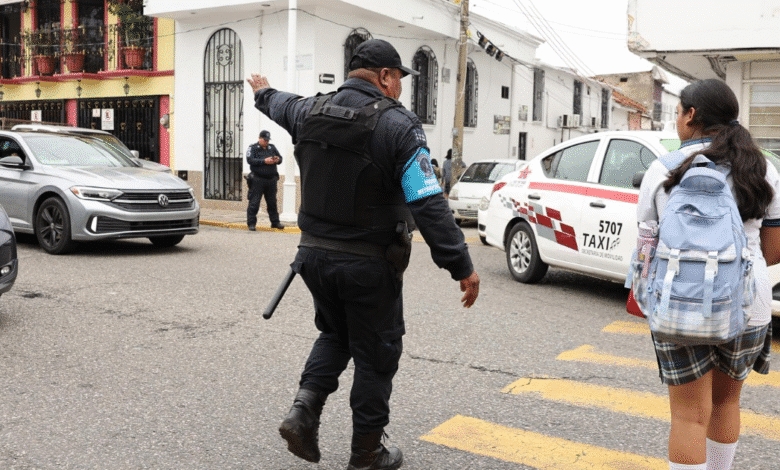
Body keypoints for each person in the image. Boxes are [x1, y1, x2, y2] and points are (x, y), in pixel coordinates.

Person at [247, 38, 480, 470]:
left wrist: (261, 91)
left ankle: (303, 412)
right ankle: (367, 453)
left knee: (336, 335)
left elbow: (279, 104)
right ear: (385, 77)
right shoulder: (398, 126)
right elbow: (426, 199)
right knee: (377, 352)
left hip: (312, 258)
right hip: (368, 264)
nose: (401, 90)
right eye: (399, 80)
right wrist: (460, 264)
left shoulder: (310, 111)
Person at [636, 79, 778, 470]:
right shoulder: (763, 167)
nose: (677, 120)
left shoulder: (663, 169)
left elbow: (646, 247)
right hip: (749, 301)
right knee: (726, 402)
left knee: (687, 416)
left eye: (678, 112)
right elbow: (774, 250)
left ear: (691, 115)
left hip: (679, 302)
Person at [246, 130, 284, 230]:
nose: (266, 142)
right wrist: (264, 161)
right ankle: (251, 223)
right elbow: (250, 160)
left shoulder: (272, 147)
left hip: (271, 180)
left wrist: (277, 159)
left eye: (267, 140)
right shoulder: (253, 148)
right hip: (258, 179)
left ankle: (275, 222)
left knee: (272, 203)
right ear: (259, 138)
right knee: (254, 202)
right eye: (264, 140)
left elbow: (280, 158)